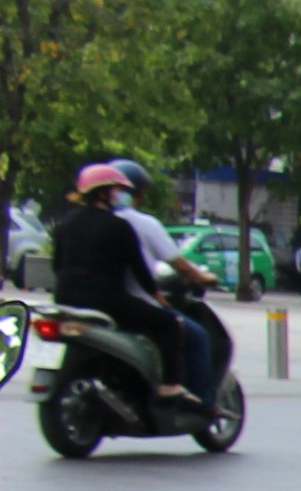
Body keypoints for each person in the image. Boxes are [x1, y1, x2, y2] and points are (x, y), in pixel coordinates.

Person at [49, 165, 191, 410]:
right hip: (106, 301)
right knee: (168, 324)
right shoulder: (118, 226)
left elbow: (57, 265)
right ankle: (169, 386)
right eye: (115, 190)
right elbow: (140, 271)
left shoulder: (64, 225)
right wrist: (158, 297)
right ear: (103, 193)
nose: (118, 195)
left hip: (65, 301)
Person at [108, 161, 221, 403]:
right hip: (132, 304)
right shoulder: (139, 224)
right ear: (138, 193)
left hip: (91, 302)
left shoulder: (89, 220)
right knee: (196, 335)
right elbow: (176, 263)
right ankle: (200, 403)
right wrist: (202, 278)